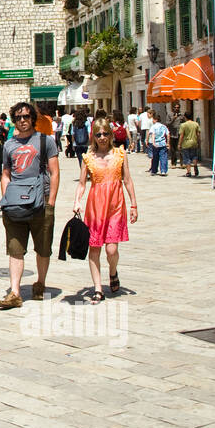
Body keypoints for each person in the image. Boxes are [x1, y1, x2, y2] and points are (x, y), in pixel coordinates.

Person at [0, 103, 61, 310]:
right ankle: (14, 292)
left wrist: (51, 202)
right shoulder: (9, 145)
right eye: (17, 117)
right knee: (15, 249)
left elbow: (55, 172)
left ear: (32, 118)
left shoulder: (45, 141)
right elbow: (5, 174)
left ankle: (40, 283)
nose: (22, 120)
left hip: (40, 202)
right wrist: (6, 199)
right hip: (15, 204)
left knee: (43, 248)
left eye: (25, 116)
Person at [73, 119, 140, 304]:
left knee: (111, 250)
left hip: (115, 206)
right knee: (94, 249)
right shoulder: (88, 157)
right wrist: (77, 201)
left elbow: (127, 180)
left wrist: (134, 205)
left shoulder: (120, 154)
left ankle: (112, 271)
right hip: (95, 208)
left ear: (111, 135)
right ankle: (97, 288)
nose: (102, 138)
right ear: (93, 136)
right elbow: (81, 183)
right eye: (98, 134)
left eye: (105, 134)